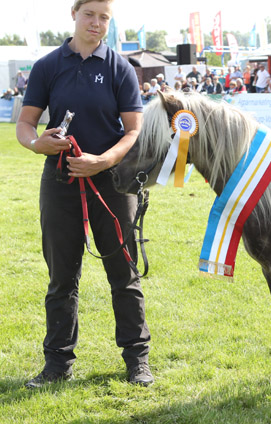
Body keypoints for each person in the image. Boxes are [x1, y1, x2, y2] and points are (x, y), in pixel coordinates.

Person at [16, 0, 152, 388]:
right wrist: (36, 144)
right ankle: (57, 365)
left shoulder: (119, 67)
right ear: (73, 14)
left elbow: (133, 131)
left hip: (111, 183)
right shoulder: (48, 66)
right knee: (62, 278)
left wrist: (102, 161)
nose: (96, 23)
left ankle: (137, 361)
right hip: (59, 184)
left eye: (104, 17)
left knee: (123, 276)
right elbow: (26, 124)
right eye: (89, 14)